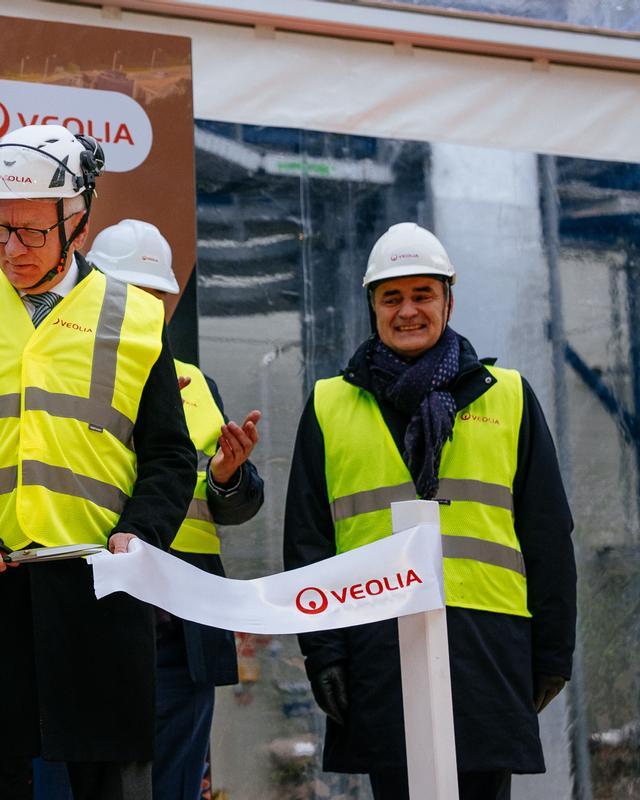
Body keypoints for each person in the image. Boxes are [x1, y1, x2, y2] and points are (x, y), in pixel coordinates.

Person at [0, 125, 196, 800]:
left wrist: (143, 533)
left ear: (79, 219)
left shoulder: (137, 320)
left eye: (32, 233)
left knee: (116, 784)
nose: (12, 249)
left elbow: (169, 455)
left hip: (102, 590)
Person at [283, 222, 577, 799]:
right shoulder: (329, 405)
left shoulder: (509, 398)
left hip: (486, 646)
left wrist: (553, 654)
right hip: (376, 648)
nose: (408, 310)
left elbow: (547, 535)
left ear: (448, 299)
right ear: (372, 305)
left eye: (423, 294)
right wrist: (323, 655)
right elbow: (308, 544)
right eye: (392, 297)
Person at [87, 219, 265, 800]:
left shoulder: (195, 382)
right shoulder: (57, 374)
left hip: (179, 639)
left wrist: (226, 479)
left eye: (157, 297)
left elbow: (236, 504)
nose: (146, 310)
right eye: (130, 294)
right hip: (94, 625)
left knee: (173, 789)